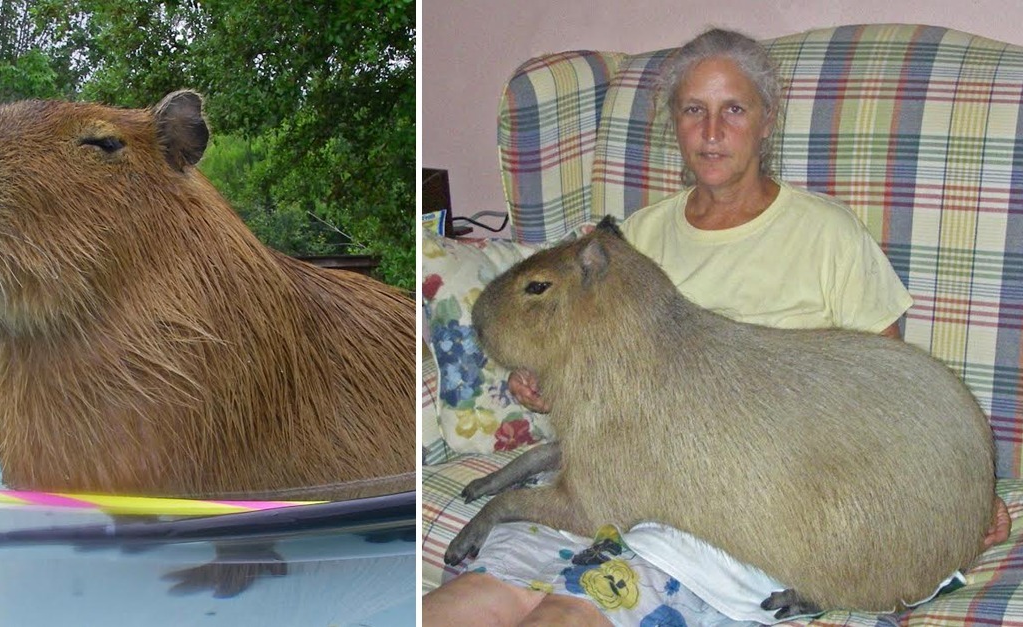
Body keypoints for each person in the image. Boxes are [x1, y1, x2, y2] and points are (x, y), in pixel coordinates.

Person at [424, 27, 1011, 626]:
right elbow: (613, 398)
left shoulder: (828, 235)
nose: (711, 132)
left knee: (569, 611)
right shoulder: (635, 239)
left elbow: (889, 396)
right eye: (693, 111)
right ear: (672, 124)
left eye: (733, 109)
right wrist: (545, 387)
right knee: (470, 604)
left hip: (744, 507)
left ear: (766, 120)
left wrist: (953, 497)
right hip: (627, 482)